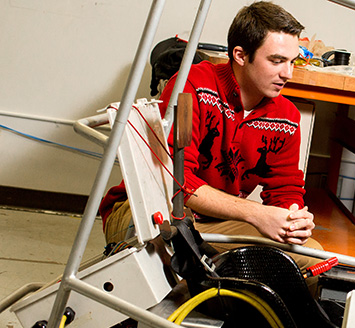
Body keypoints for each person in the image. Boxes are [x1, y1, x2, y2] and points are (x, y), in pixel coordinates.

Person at [99, 1, 321, 268]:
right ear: (240, 55)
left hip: (214, 223)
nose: (287, 74)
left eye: (292, 62)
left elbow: (285, 188)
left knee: (312, 255)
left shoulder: (287, 116)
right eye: (276, 61)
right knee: (174, 236)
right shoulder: (191, 85)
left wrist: (293, 218)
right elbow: (174, 183)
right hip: (150, 209)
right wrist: (257, 214)